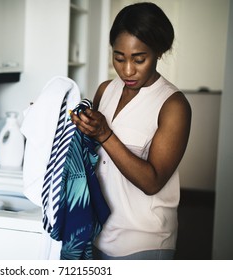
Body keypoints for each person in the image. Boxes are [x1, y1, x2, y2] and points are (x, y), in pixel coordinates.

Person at [70, 2, 192, 260]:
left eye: (139, 59)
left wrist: (105, 134)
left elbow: (153, 181)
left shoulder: (173, 105)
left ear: (159, 51)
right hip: (98, 232)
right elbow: (89, 152)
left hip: (143, 240)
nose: (127, 70)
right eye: (118, 57)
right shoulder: (106, 90)